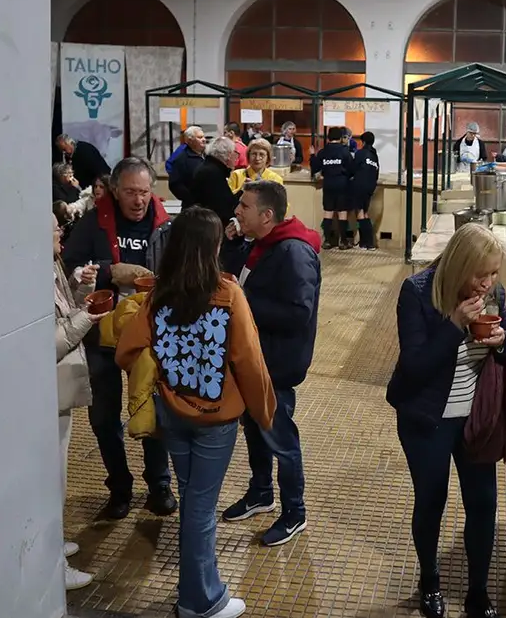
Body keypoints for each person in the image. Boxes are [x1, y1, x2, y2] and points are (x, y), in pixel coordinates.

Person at [112, 206, 277, 618]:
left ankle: (200, 592)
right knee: (201, 511)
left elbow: (126, 350)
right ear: (214, 247)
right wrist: (264, 412)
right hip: (215, 423)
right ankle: (200, 602)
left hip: (172, 413)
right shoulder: (227, 294)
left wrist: (161, 369)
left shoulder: (159, 294)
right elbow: (249, 360)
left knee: (192, 503)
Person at [386, 223, 506, 618]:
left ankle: (478, 590)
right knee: (431, 501)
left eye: (494, 273)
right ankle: (429, 581)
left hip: (475, 419)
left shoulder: (494, 294)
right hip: (427, 419)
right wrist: (455, 324)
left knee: (483, 503)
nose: (487, 283)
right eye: (481, 274)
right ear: (459, 266)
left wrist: (503, 343)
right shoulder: (418, 292)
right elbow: (415, 367)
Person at [61, 156, 176, 520]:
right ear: (114, 190)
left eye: (144, 192)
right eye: (130, 192)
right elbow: (68, 268)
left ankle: (159, 484)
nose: (138, 200)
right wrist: (111, 271)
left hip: (150, 336)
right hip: (102, 337)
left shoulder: (165, 225)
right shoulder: (93, 222)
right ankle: (120, 486)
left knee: (153, 411)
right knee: (103, 418)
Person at [219, 180, 322, 548]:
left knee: (280, 437)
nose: (236, 211)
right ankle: (261, 492)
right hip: (254, 357)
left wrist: (242, 302)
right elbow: (237, 277)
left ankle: (295, 511)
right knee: (256, 429)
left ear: (266, 215)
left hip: (276, 364)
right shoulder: (260, 245)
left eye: (244, 207)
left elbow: (298, 313)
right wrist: (232, 243)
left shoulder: (293, 252)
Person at [52, 214, 105, 592]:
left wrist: (76, 286)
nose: (61, 232)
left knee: (59, 474)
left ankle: (53, 543)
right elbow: (48, 340)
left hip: (60, 390)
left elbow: (63, 308)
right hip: (47, 390)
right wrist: (88, 317)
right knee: (49, 478)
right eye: (55, 228)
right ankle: (50, 568)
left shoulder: (52, 265)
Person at [310, 126, 355, 250]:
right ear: (341, 138)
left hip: (328, 184)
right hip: (342, 184)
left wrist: (312, 155)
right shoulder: (345, 151)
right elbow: (352, 169)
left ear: (328, 138)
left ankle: (328, 241)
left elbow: (315, 168)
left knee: (328, 212)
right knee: (342, 212)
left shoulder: (323, 152)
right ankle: (343, 241)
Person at [188, 136, 240, 226]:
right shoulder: (213, 173)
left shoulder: (209, 167)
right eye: (235, 153)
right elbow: (225, 207)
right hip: (207, 227)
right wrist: (243, 191)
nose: (236, 158)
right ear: (228, 155)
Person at [350, 132, 380, 250]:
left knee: (360, 213)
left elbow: (352, 169)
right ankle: (369, 242)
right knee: (365, 213)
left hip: (359, 185)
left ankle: (366, 243)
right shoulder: (374, 155)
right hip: (370, 187)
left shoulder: (360, 153)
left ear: (363, 142)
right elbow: (376, 172)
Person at [168, 126, 208, 203]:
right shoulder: (182, 159)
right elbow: (175, 184)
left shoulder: (208, 156)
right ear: (190, 141)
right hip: (193, 206)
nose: (204, 140)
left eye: (203, 137)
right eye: (199, 137)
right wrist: (191, 198)